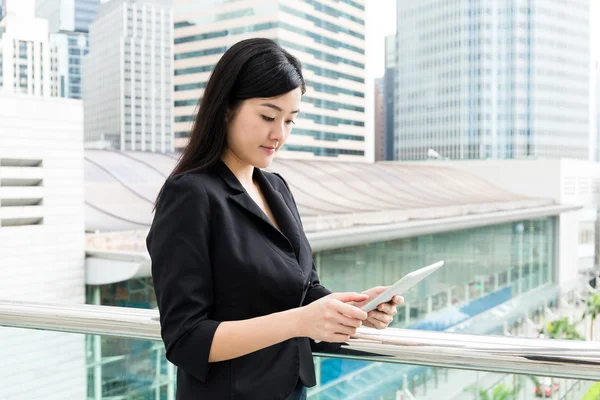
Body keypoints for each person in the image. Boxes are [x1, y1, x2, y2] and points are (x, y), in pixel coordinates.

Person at [147, 38, 403, 400]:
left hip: (289, 390)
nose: (279, 134)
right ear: (225, 109)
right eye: (268, 116)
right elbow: (186, 338)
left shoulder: (275, 187)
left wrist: (355, 309)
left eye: (290, 120)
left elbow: (303, 288)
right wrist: (301, 321)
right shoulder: (190, 195)